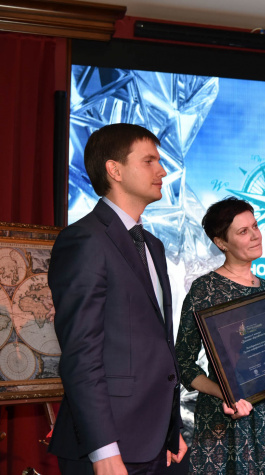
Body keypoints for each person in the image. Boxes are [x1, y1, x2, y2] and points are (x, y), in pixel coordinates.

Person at [48, 123, 187, 474]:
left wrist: (170, 429)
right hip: (106, 448)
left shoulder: (152, 245)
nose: (162, 171)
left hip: (151, 439)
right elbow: (81, 353)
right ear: (115, 170)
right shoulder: (85, 240)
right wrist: (103, 450)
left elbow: (155, 344)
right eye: (149, 161)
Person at [175, 197, 265, 474]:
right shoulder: (205, 290)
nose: (255, 235)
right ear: (221, 242)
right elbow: (182, 363)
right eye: (243, 231)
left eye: (255, 226)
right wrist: (226, 394)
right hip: (224, 422)